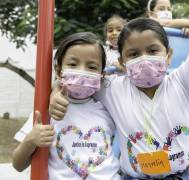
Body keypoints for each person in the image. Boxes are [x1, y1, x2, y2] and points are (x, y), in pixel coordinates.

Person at [49, 0, 189, 179]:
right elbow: (79, 80)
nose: (144, 59)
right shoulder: (112, 88)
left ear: (168, 55)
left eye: (153, 51)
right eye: (133, 54)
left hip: (184, 176)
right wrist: (56, 91)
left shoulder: (186, 81)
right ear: (121, 61)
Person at [12, 32, 120, 180]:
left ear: (102, 74)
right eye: (73, 64)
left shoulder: (109, 108)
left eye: (92, 67)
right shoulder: (44, 112)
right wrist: (31, 140)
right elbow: (18, 165)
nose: (82, 71)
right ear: (59, 70)